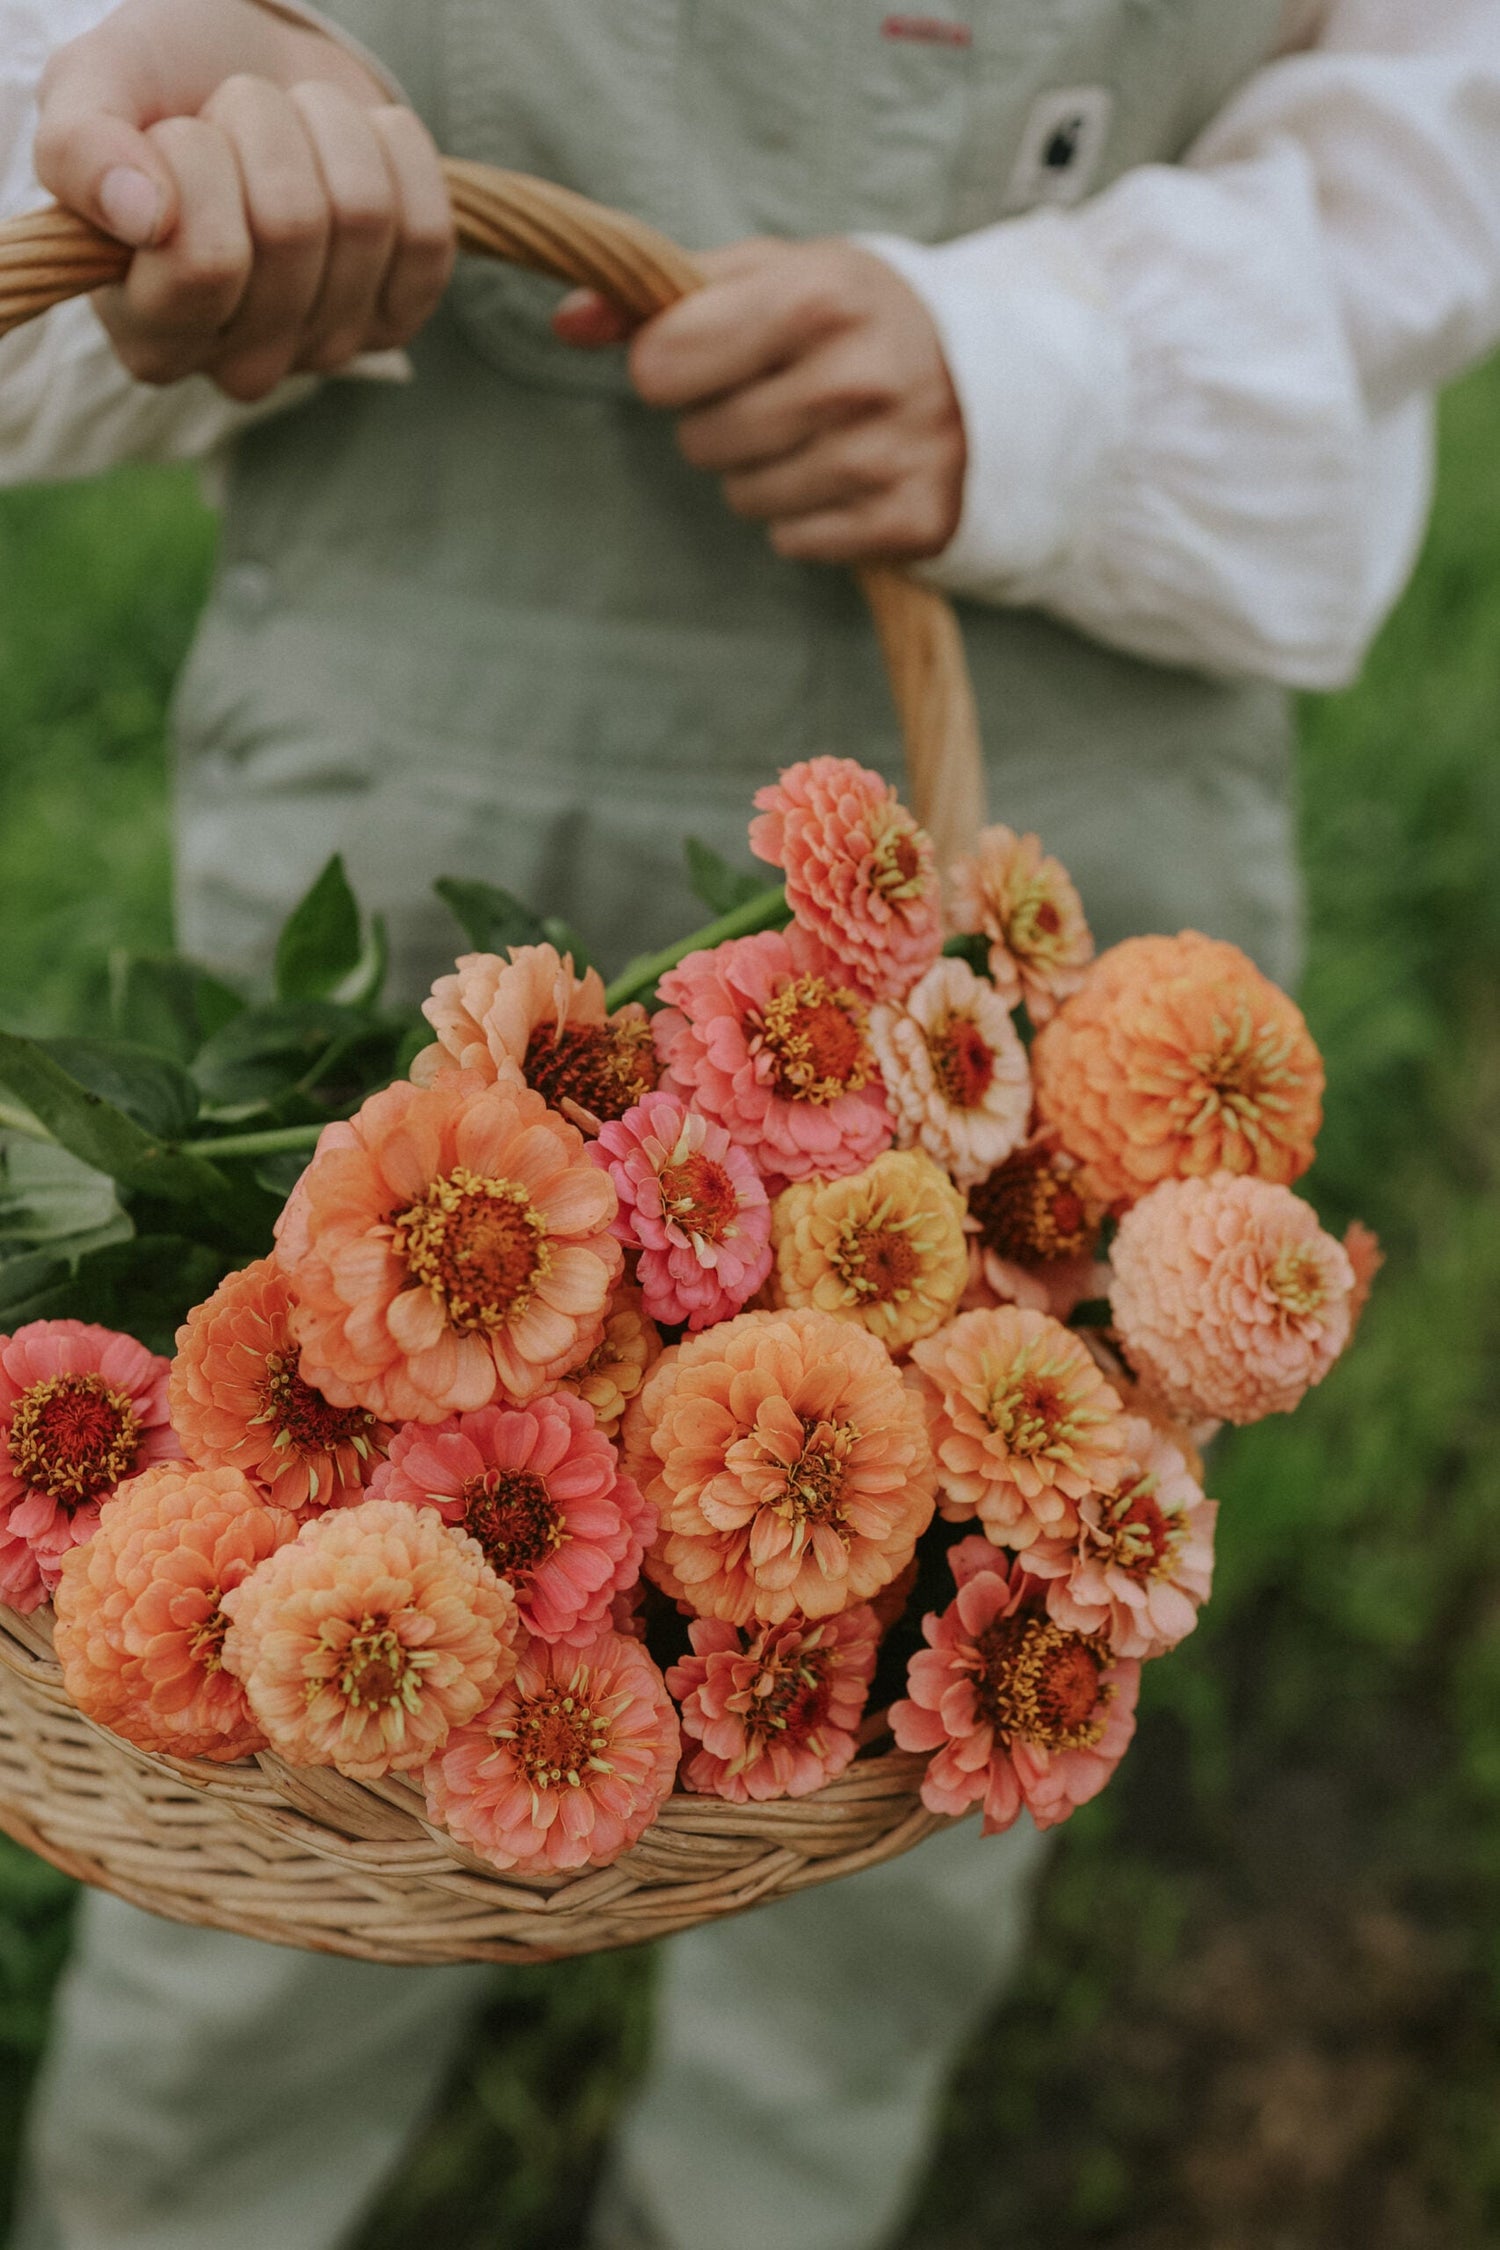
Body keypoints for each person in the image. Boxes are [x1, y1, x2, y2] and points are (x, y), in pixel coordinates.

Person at [0, 2, 1497, 2246]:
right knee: (265, 1750)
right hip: (439, 684)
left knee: (938, 1699)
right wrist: (159, 109)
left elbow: (1451, 104)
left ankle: (766, 2188)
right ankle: (173, 2198)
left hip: (1047, 756)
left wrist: (1057, 368)